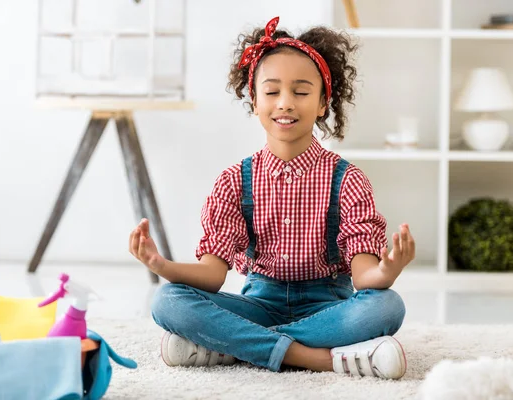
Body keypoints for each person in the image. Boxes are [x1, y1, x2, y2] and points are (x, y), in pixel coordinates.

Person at [129, 16, 415, 379]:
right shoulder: (234, 181)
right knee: (167, 301)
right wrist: (161, 265)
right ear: (254, 100)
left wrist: (388, 269)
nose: (285, 103)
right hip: (258, 303)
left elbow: (364, 279)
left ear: (324, 103)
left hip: (328, 309)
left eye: (300, 91)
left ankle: (230, 346)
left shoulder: (348, 180)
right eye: (272, 91)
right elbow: (212, 276)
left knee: (387, 307)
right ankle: (321, 358)